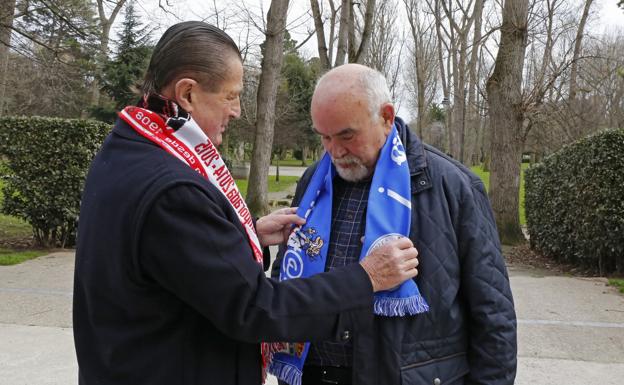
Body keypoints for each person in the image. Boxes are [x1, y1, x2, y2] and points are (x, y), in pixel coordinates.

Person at [73, 22, 421, 385]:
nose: (238, 110)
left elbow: (169, 260)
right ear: (188, 93)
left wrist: (241, 235)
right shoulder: (172, 191)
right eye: (231, 95)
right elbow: (256, 308)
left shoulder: (129, 147)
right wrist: (365, 280)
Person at [271, 64, 517, 385]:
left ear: (386, 116)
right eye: (324, 137)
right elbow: (289, 272)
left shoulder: (453, 186)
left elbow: (493, 313)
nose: (335, 151)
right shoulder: (314, 182)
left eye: (347, 135)